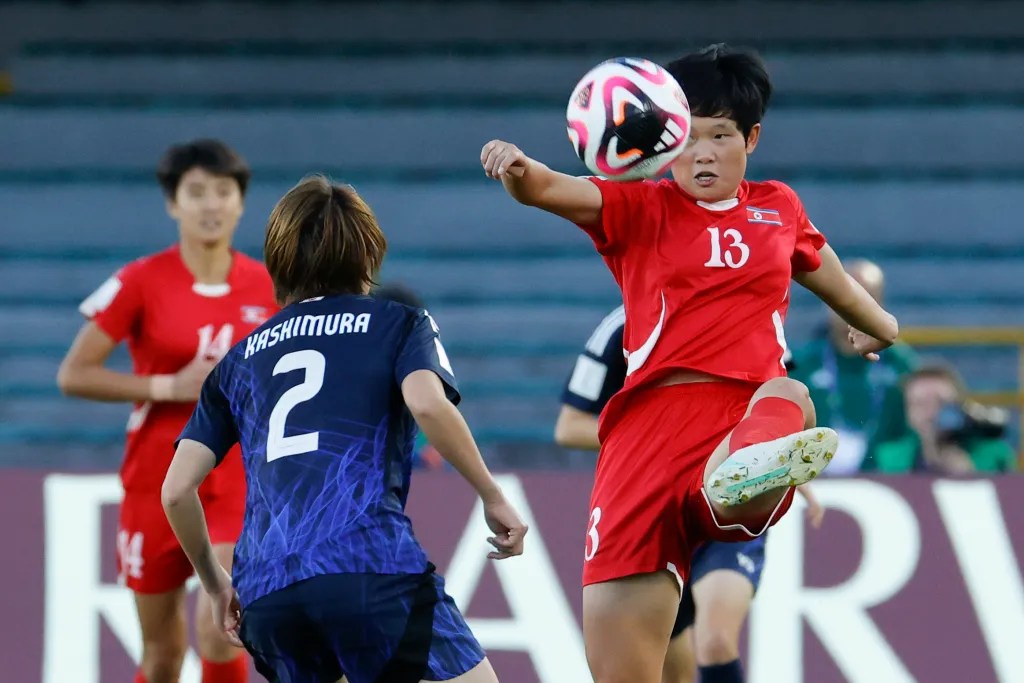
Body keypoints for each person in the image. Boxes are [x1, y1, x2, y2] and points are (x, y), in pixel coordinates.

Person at [481, 43, 898, 683]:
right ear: (666, 138)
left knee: (787, 393)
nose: (703, 153)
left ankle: (737, 482)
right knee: (620, 670)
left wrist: (879, 325)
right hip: (640, 439)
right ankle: (735, 485)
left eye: (722, 135)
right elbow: (546, 188)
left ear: (751, 138)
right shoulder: (639, 206)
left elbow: (830, 275)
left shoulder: (777, 208)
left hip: (736, 416)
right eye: (690, 137)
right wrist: (514, 166)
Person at [161, 175, 528, 683]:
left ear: (279, 261)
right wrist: (492, 495)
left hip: (267, 593)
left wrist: (215, 582)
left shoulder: (238, 360)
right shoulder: (398, 323)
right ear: (367, 254)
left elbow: (177, 490)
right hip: (367, 565)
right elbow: (427, 404)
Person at [57, 139, 275, 683]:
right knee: (161, 654)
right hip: (154, 478)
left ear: (241, 203)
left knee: (218, 630)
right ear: (173, 204)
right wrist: (166, 385)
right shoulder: (140, 281)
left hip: (235, 477)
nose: (210, 204)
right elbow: (74, 374)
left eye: (223, 192)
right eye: (196, 192)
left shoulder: (269, 287)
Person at [555, 305, 825, 683]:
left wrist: (796, 480)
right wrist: (652, 443)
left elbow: (772, 414)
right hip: (655, 498)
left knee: (715, 641)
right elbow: (569, 427)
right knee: (674, 671)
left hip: (726, 488)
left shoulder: (749, 313)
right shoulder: (624, 326)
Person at [788, 259, 918, 474]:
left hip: (886, 479)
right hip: (812, 477)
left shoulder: (902, 364)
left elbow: (913, 435)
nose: (854, 306)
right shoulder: (801, 362)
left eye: (868, 297)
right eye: (844, 295)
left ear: (881, 303)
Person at [874, 361, 1016, 474]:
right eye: (919, 403)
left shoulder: (994, 455)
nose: (930, 413)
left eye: (941, 403)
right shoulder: (888, 459)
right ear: (908, 412)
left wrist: (971, 476)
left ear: (960, 407)